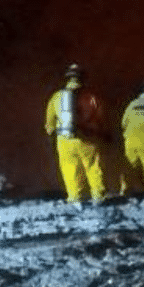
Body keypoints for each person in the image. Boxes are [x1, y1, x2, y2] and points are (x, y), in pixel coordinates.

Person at [44, 63, 107, 203]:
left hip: (64, 139)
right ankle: (98, 197)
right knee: (93, 167)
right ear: (82, 78)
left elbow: (49, 123)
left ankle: (75, 198)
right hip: (88, 138)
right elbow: (100, 118)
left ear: (68, 78)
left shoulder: (56, 97)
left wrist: (51, 135)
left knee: (70, 169)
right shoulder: (91, 97)